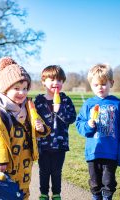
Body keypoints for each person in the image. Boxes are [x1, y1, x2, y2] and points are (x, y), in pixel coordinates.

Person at [0, 57, 50, 200]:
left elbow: (40, 127)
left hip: (25, 161)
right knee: (4, 193)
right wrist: (1, 161)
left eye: (25, 88)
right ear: (5, 89)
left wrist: (41, 128)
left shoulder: (28, 107)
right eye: (17, 88)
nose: (22, 93)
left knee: (22, 192)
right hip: (5, 163)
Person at [75, 64, 120, 200]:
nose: (100, 87)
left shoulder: (117, 104)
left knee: (108, 183)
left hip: (111, 153)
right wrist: (88, 125)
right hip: (93, 152)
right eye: (96, 85)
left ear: (111, 83)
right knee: (94, 183)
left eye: (104, 84)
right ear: (91, 85)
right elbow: (79, 125)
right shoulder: (88, 104)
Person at [34, 65, 77, 200]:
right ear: (43, 82)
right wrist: (36, 125)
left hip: (60, 144)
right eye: (52, 79)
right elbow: (32, 119)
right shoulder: (38, 101)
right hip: (43, 144)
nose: (56, 83)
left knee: (57, 171)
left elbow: (71, 118)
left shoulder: (65, 100)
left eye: (59, 80)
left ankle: (57, 193)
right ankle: (44, 193)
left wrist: (60, 110)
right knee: (44, 171)